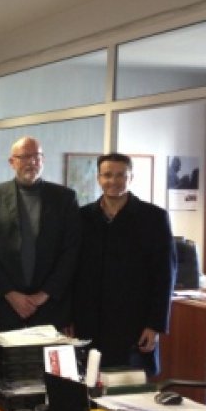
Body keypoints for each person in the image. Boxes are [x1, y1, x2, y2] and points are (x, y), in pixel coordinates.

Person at [73, 153, 176, 375]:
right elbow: (74, 271)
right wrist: (69, 318)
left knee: (129, 387)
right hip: (89, 322)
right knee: (88, 383)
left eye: (121, 175)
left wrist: (155, 325)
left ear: (131, 178)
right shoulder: (82, 217)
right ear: (98, 178)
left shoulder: (153, 217)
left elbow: (165, 275)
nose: (113, 181)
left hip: (134, 323)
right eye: (107, 175)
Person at [0, 136, 80, 331]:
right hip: (6, 306)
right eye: (24, 157)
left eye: (37, 156)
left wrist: (43, 295)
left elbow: (71, 252)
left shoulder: (65, 198)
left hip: (50, 306)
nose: (32, 162)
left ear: (43, 160)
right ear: (12, 162)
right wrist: (10, 293)